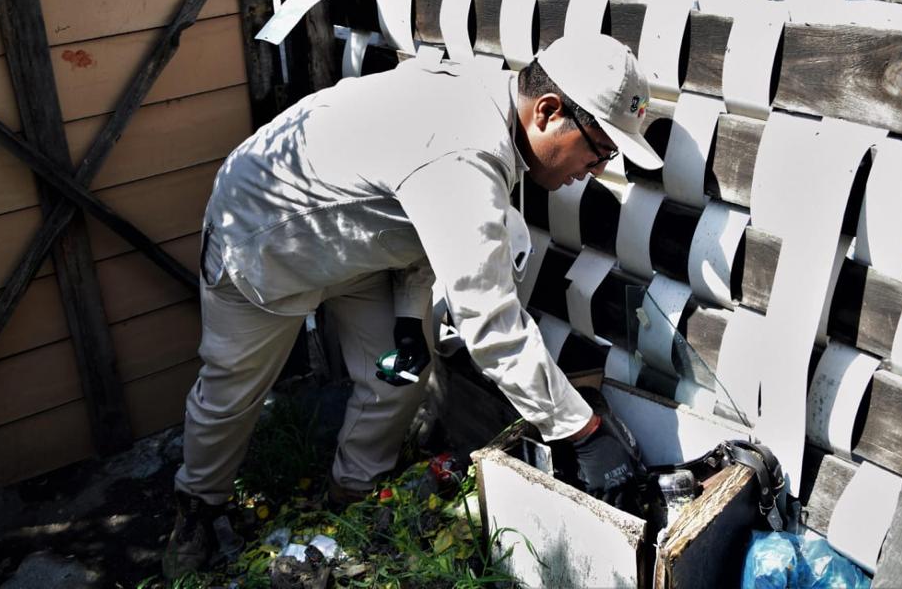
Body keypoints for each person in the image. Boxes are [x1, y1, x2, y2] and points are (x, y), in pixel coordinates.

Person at [162, 33, 664, 577]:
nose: (596, 168)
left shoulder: (489, 109)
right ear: (547, 111)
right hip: (264, 237)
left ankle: (353, 496)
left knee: (399, 372)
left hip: (356, 242)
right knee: (230, 392)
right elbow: (490, 323)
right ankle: (197, 506)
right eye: (599, 149)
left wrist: (407, 315)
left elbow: (420, 223)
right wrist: (580, 431)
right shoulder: (466, 148)